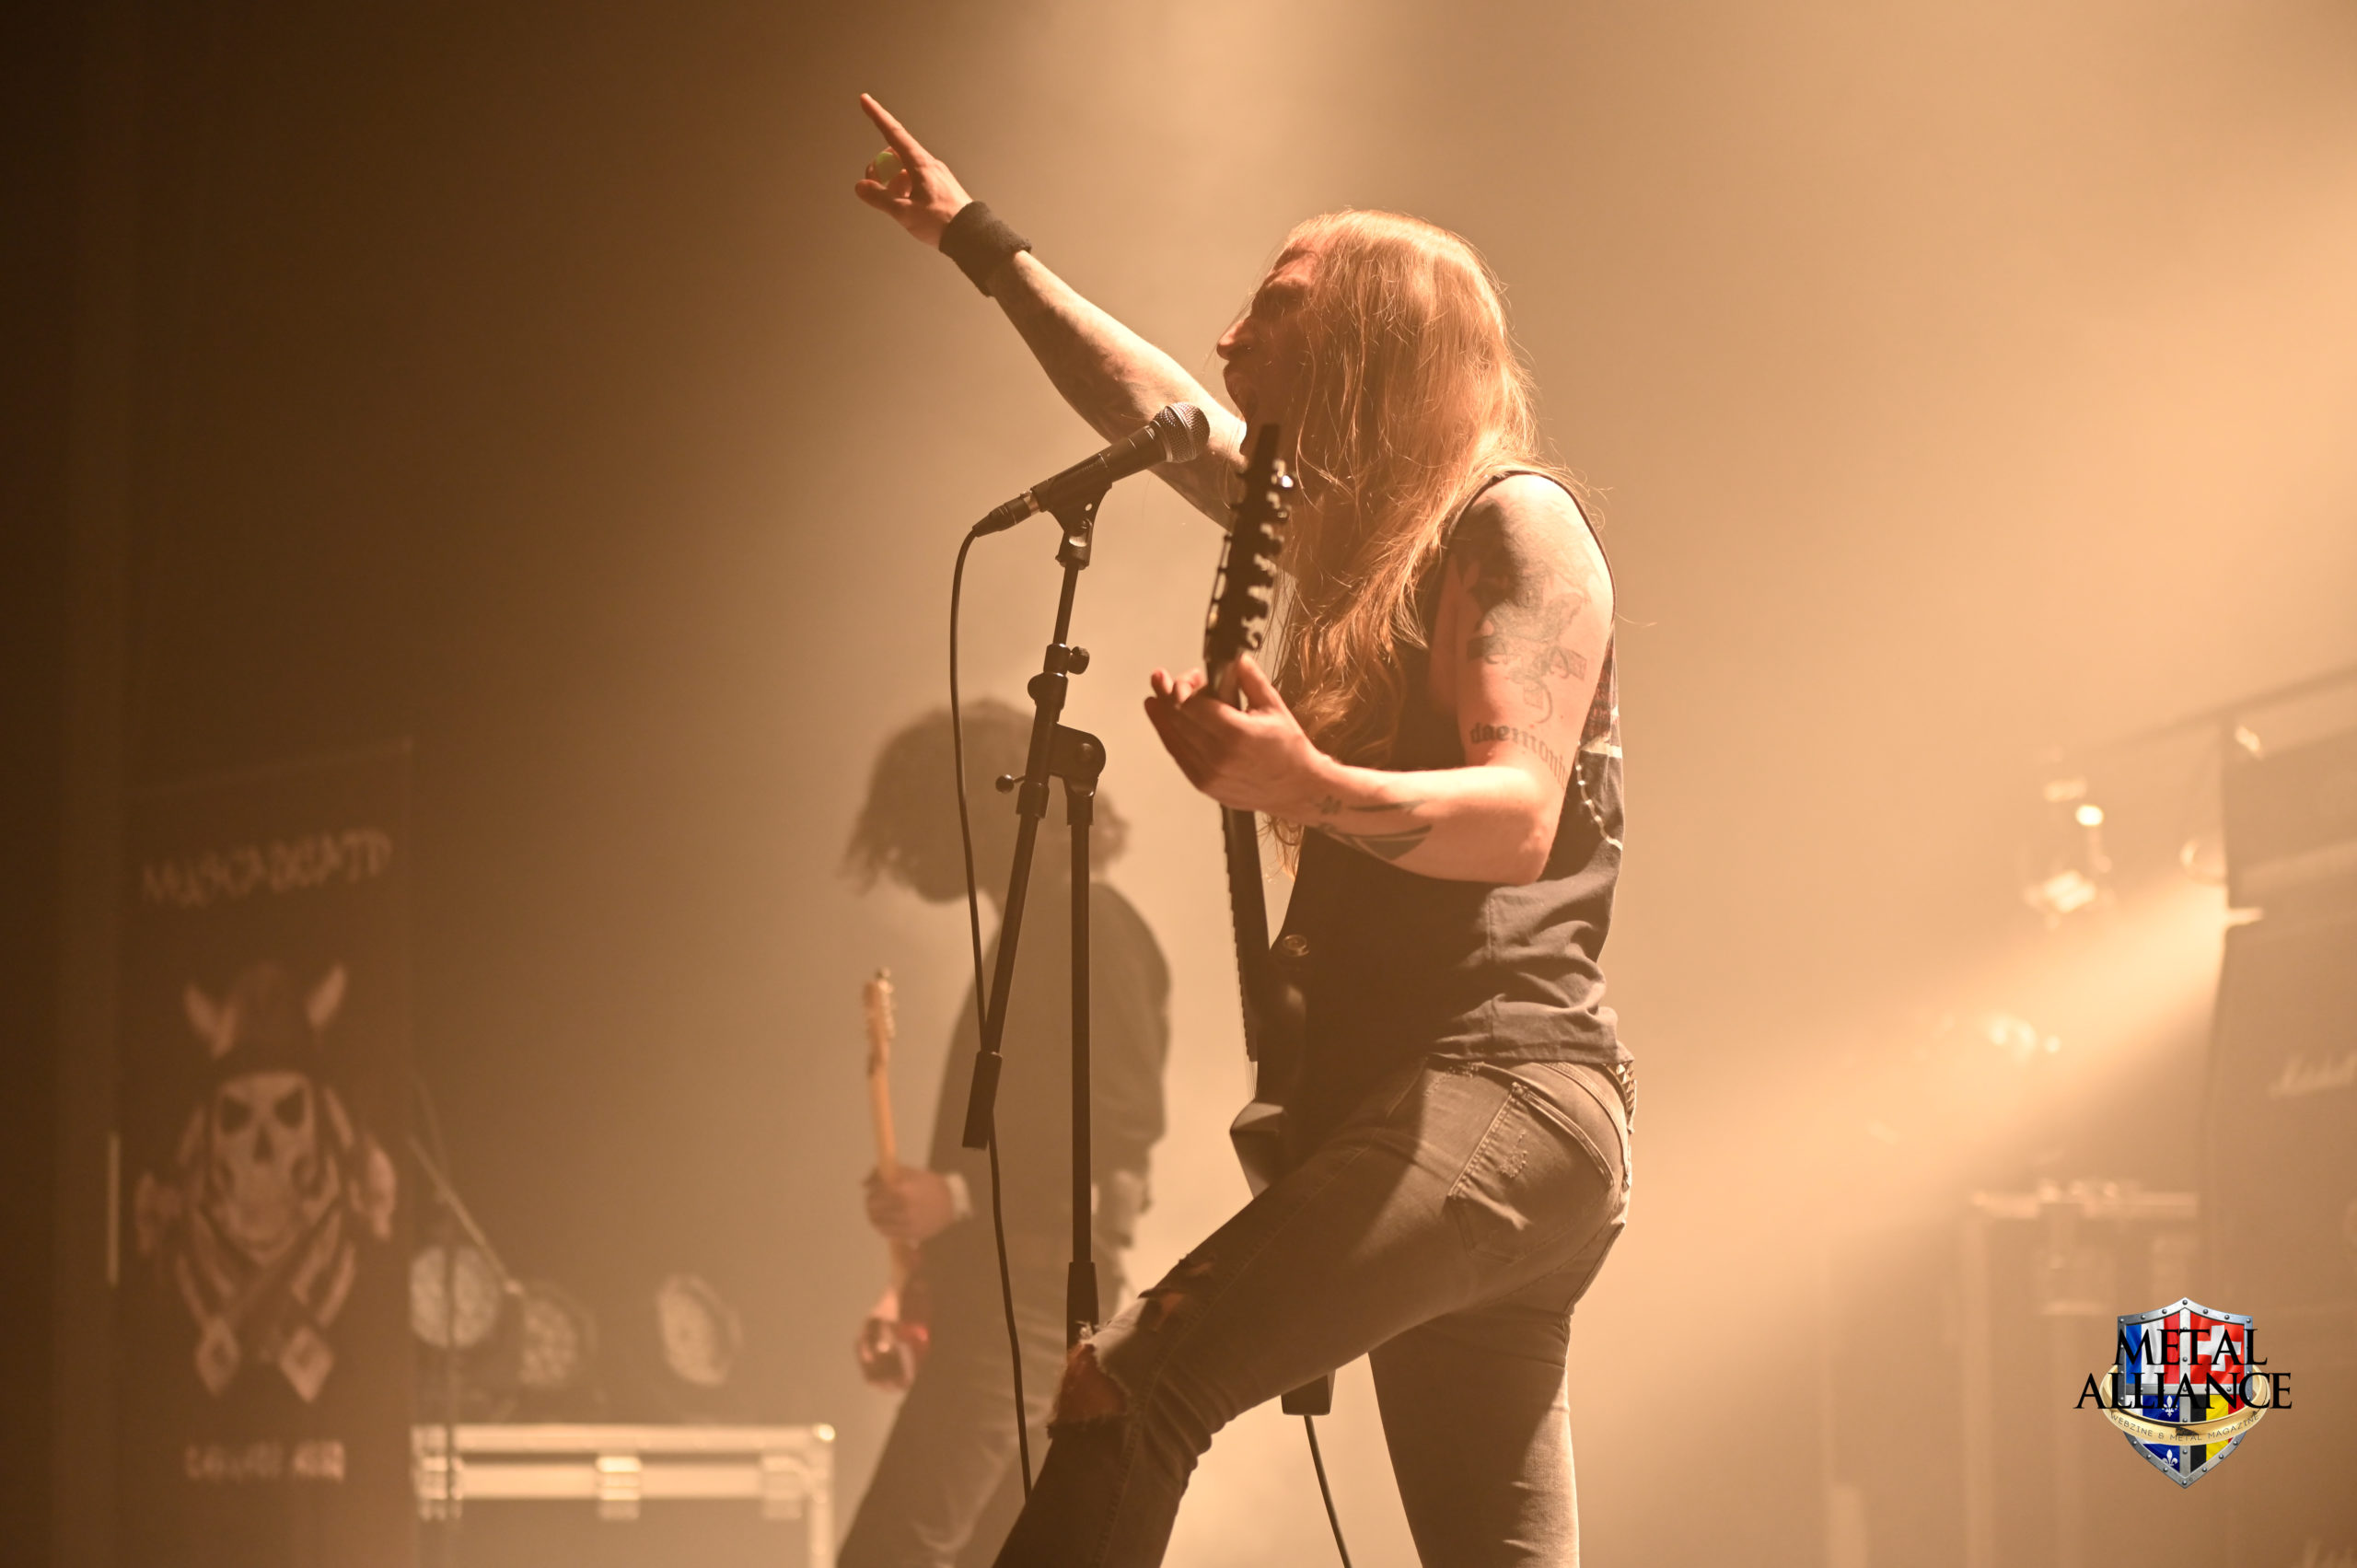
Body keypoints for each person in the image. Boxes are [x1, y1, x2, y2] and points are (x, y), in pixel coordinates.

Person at [853, 93, 1635, 1567]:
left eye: (1273, 309)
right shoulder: (1353, 535)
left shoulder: (1516, 524)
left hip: (1502, 1091)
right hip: (1446, 1118)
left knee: (1130, 1377)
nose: (1228, 339)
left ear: (1373, 342)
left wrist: (1305, 785)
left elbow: (1520, 818)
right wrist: (977, 241)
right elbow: (1149, 406)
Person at [841, 701, 1171, 1568]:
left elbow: (1122, 1124)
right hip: (1004, 1300)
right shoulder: (1033, 932)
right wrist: (919, 1284)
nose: (910, 848)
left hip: (1027, 1303)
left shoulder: (1088, 924)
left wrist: (952, 1196)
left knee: (892, 1553)